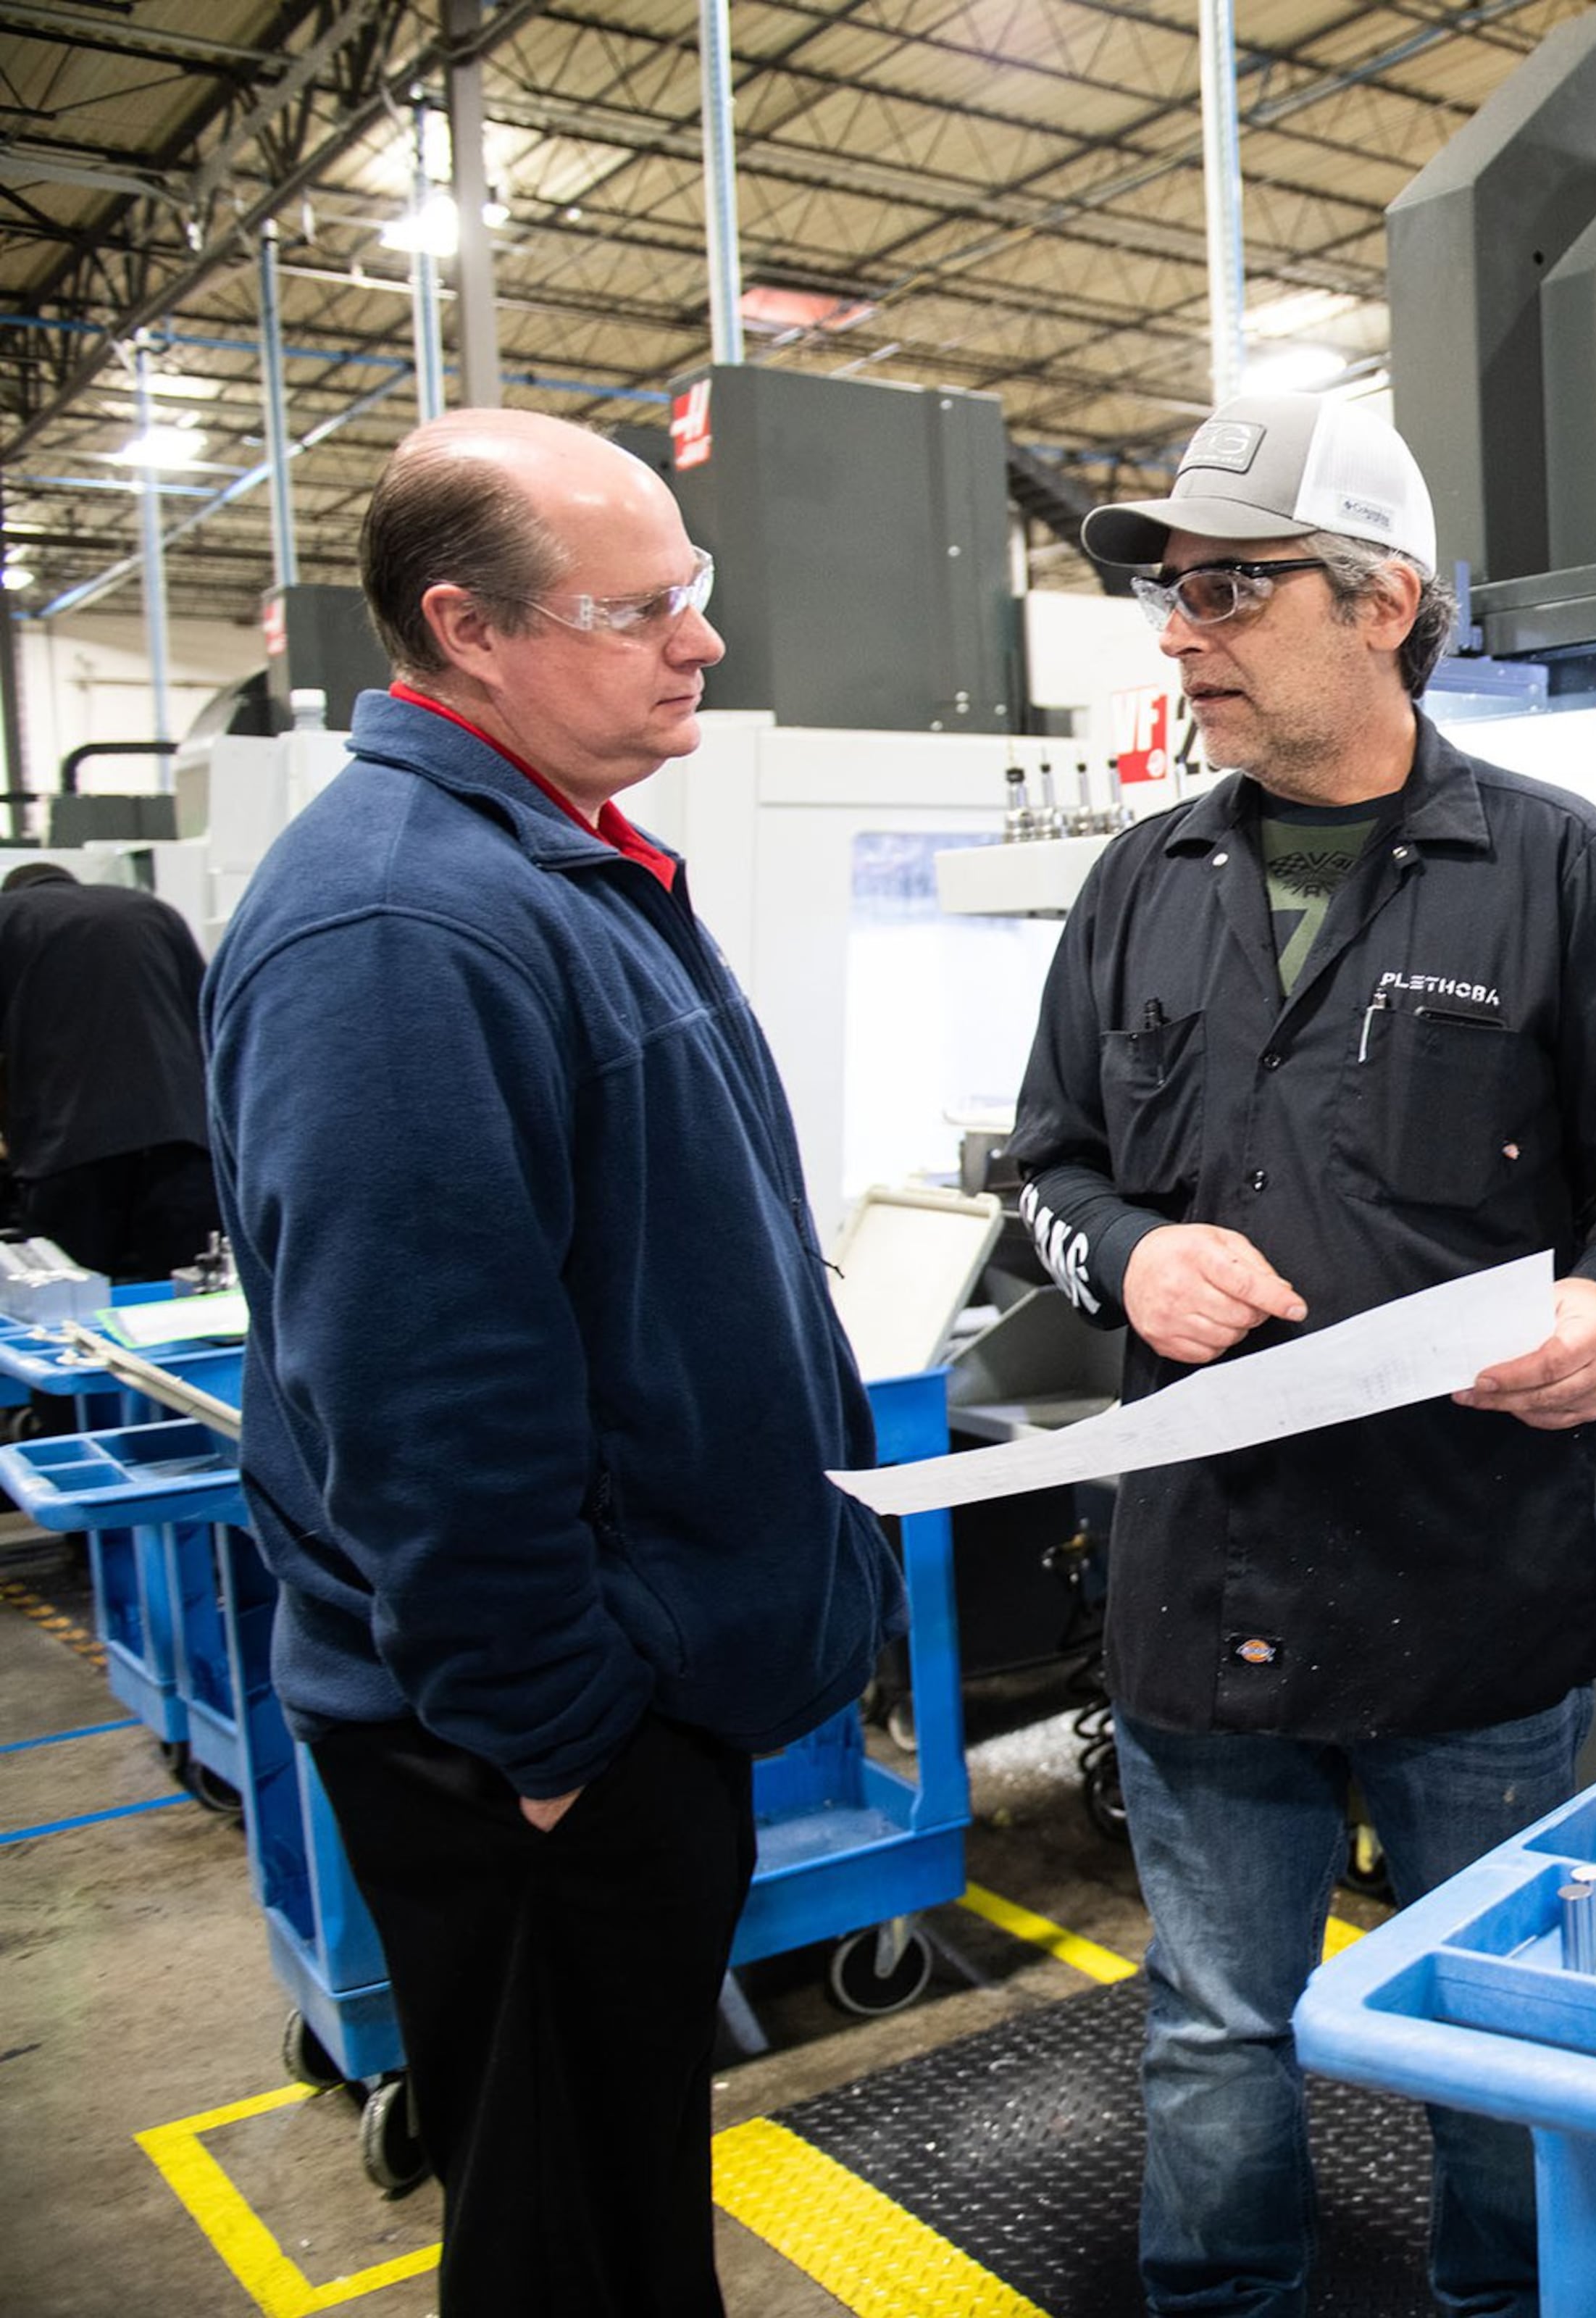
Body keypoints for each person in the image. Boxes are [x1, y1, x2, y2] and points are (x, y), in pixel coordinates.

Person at [1008, 391, 1596, 2317]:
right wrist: (1131, 1256)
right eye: (1170, 593)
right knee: (1217, 2023)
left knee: (1500, 2023)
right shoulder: (1139, 883)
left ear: (1382, 604)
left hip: (1465, 1579)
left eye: (1228, 590)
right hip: (1203, 1580)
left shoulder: (1555, 869)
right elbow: (1047, 1167)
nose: (1182, 633)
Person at [204, 409, 904, 2317]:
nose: (703, 639)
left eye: (695, 590)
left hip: (611, 1697)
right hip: (542, 1737)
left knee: (613, 2194)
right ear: (469, 628)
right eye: (640, 609)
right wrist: (549, 1725)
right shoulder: (397, 924)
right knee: (569, 2238)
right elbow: (426, 1393)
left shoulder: (546, 864)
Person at [0, 861, 217, 1280]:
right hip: (182, 1141)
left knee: (71, 1297)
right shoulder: (152, 910)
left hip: (70, 1149)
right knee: (185, 1292)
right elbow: (211, 1018)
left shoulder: (9, 916)